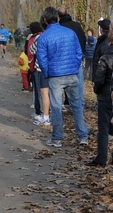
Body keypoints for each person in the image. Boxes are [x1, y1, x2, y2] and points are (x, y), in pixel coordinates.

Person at [37, 6, 88, 147]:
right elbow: (79, 52)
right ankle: (83, 136)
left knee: (57, 107)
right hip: (72, 74)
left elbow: (42, 59)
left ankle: (57, 138)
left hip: (55, 76)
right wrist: (74, 67)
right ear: (57, 18)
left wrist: (47, 73)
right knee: (77, 106)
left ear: (45, 20)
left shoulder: (44, 37)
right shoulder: (70, 32)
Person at [85, 24, 113, 167]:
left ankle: (101, 158)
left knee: (103, 129)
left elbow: (99, 78)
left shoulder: (106, 57)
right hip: (107, 94)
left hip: (106, 96)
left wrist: (97, 89)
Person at [58, 7, 86, 109]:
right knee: (79, 84)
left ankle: (66, 103)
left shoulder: (60, 26)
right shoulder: (77, 25)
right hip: (77, 58)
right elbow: (83, 39)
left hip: (65, 59)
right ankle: (80, 105)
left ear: (58, 16)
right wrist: (81, 55)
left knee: (63, 83)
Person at [28, 20, 51, 126]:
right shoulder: (53, 37)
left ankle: (43, 114)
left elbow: (31, 50)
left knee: (41, 93)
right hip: (53, 69)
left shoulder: (38, 38)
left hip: (40, 68)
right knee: (51, 94)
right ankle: (49, 116)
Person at [92, 19, 110, 83]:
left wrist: (98, 83)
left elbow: (103, 66)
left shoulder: (105, 44)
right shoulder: (102, 40)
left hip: (104, 82)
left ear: (101, 29)